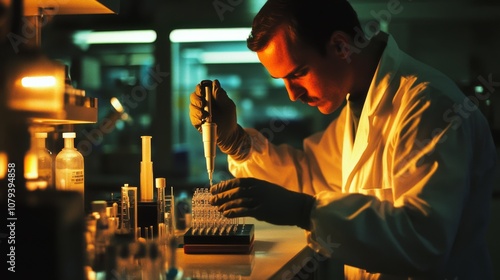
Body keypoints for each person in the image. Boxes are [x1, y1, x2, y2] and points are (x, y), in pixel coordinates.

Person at [189, 0, 497, 278]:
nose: (292, 94)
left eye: (298, 73)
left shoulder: (429, 106)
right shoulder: (358, 106)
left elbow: (423, 242)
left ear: (340, 47)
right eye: (281, 80)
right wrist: (235, 141)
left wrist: (304, 212)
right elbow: (310, 176)